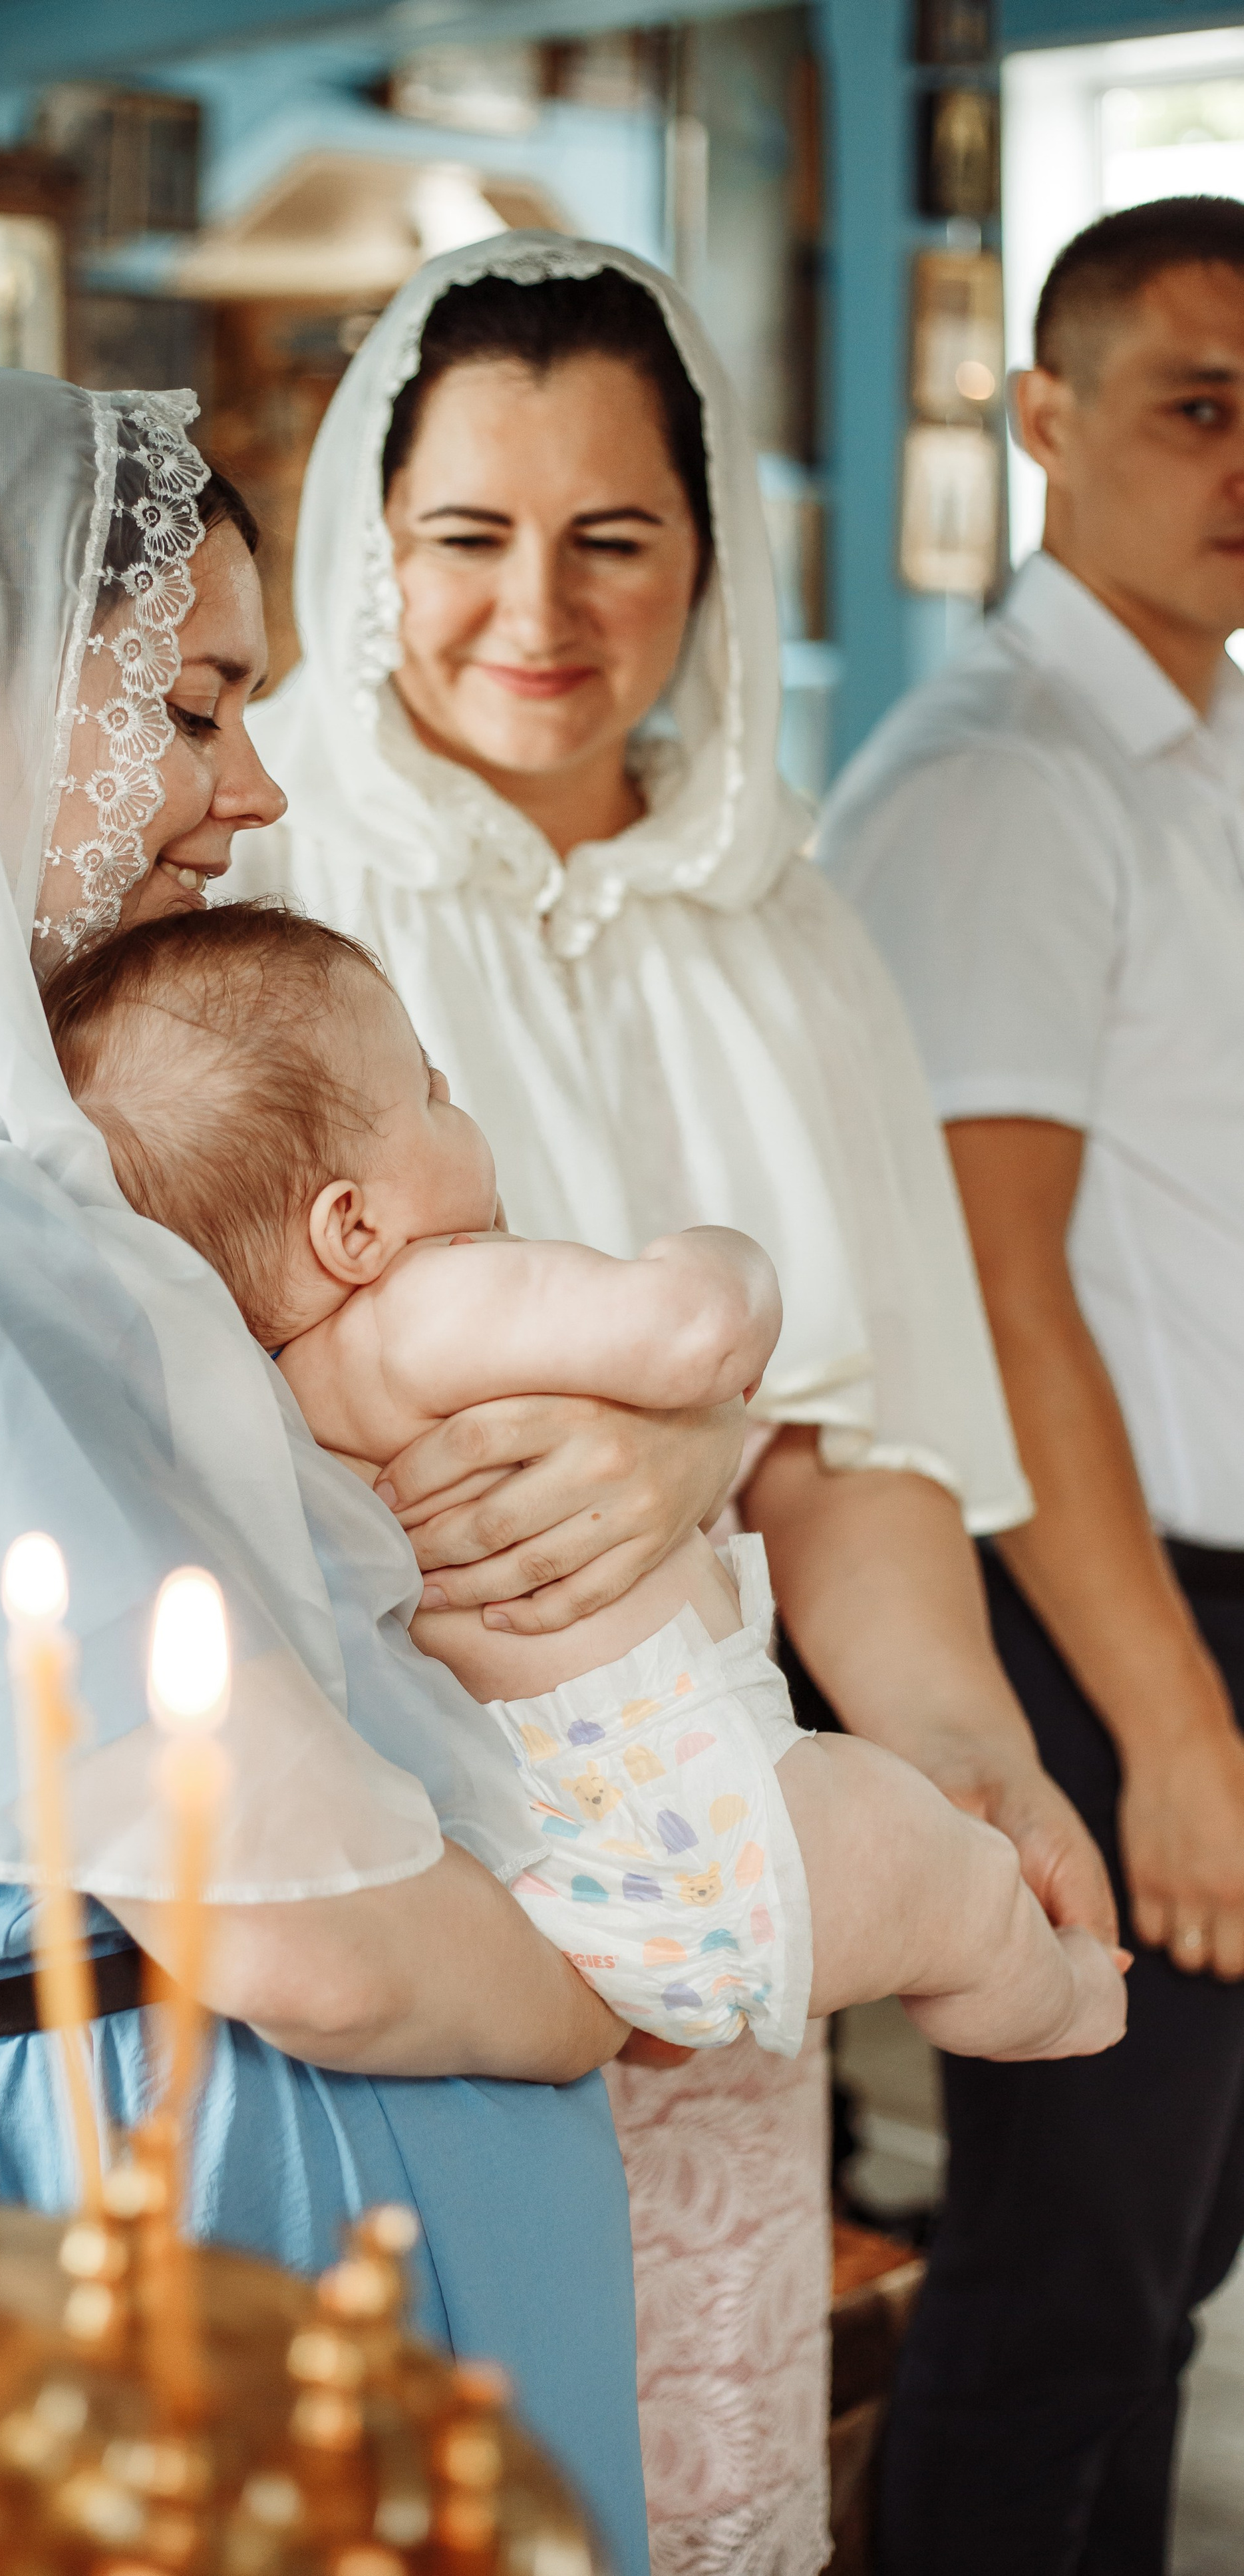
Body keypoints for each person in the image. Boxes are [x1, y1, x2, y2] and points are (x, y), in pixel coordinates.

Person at [0, 369, 764, 2573]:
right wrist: (648, 1963)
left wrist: (657, 1452)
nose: (250, 787)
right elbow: (301, 1928)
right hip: (171, 2148)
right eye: (195, 710)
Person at [224, 232, 1117, 2575]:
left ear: (709, 556)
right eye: (471, 538)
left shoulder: (775, 918)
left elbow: (856, 1440)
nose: (545, 606)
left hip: (693, 1783)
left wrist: (970, 1760)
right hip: (381, 1795)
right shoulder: (255, 880)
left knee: (686, 2454)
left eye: (617, 537)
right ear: (368, 547)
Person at [46, 896, 1128, 2068]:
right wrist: (729, 1262)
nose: (460, 1107)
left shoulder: (281, 1407)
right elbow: (698, 1332)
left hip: (562, 1887)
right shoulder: (429, 1306)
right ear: (352, 1227)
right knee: (963, 1892)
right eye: (429, 1096)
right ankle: (1072, 2002)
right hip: (728, 1807)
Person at [822, 194, 1244, 2576]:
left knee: (1164, 2279)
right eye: (1196, 403)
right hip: (1100, 1623)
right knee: (1070, 2291)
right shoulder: (1000, 776)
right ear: (1046, 420)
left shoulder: (1204, 737)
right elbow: (991, 1283)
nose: (1242, 459)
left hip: (1203, 1612)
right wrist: (1169, 1721)